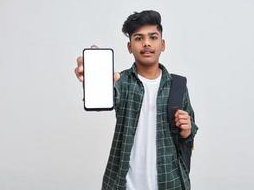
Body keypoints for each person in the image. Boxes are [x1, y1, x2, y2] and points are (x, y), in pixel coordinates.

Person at [74, 10, 198, 190]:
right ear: (129, 47)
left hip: (170, 183)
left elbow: (190, 133)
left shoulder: (178, 85)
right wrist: (93, 80)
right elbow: (107, 98)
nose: (146, 43)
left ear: (162, 44)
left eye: (153, 37)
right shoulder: (121, 81)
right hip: (123, 184)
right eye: (139, 38)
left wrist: (187, 129)